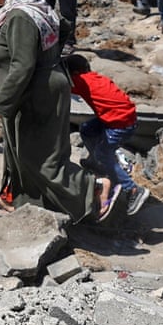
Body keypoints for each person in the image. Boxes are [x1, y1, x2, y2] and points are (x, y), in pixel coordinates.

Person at [0, 0, 118, 221]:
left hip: (34, 95)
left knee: (40, 157)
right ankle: (21, 200)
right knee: (19, 151)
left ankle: (94, 189)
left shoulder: (21, 16)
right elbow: (63, 29)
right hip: (35, 91)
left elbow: (23, 65)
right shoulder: (39, 8)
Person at [63, 54, 149, 216]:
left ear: (73, 74)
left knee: (103, 153)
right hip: (120, 118)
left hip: (120, 125)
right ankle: (99, 164)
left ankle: (133, 190)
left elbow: (61, 85)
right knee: (87, 129)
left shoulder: (80, 80)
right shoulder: (95, 77)